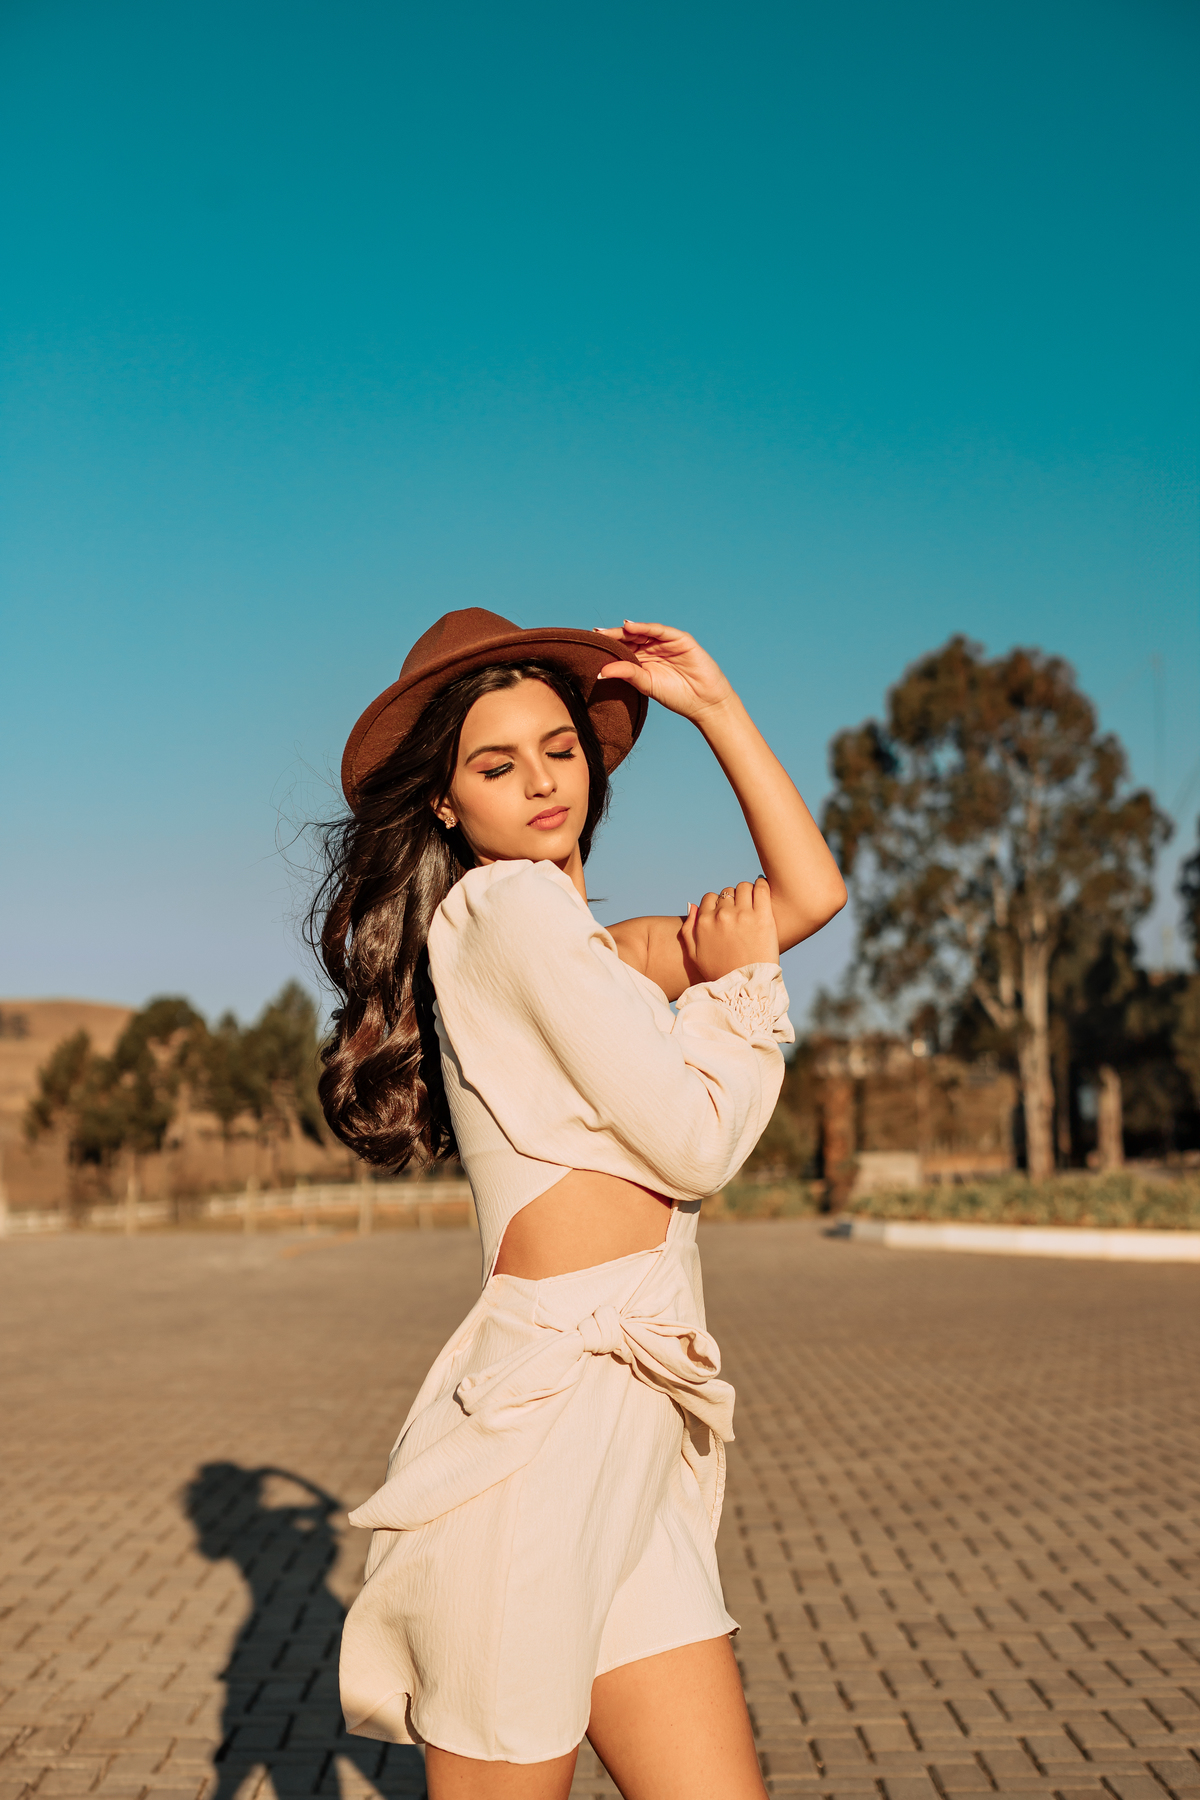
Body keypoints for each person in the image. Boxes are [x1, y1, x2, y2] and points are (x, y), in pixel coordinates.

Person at [310, 609, 846, 1800]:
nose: (544, 782)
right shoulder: (503, 914)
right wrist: (736, 987)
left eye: (560, 748)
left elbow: (808, 895)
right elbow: (697, 1144)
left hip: (634, 1425)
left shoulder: (582, 947)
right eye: (497, 765)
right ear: (447, 803)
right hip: (543, 1432)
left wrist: (717, 710)